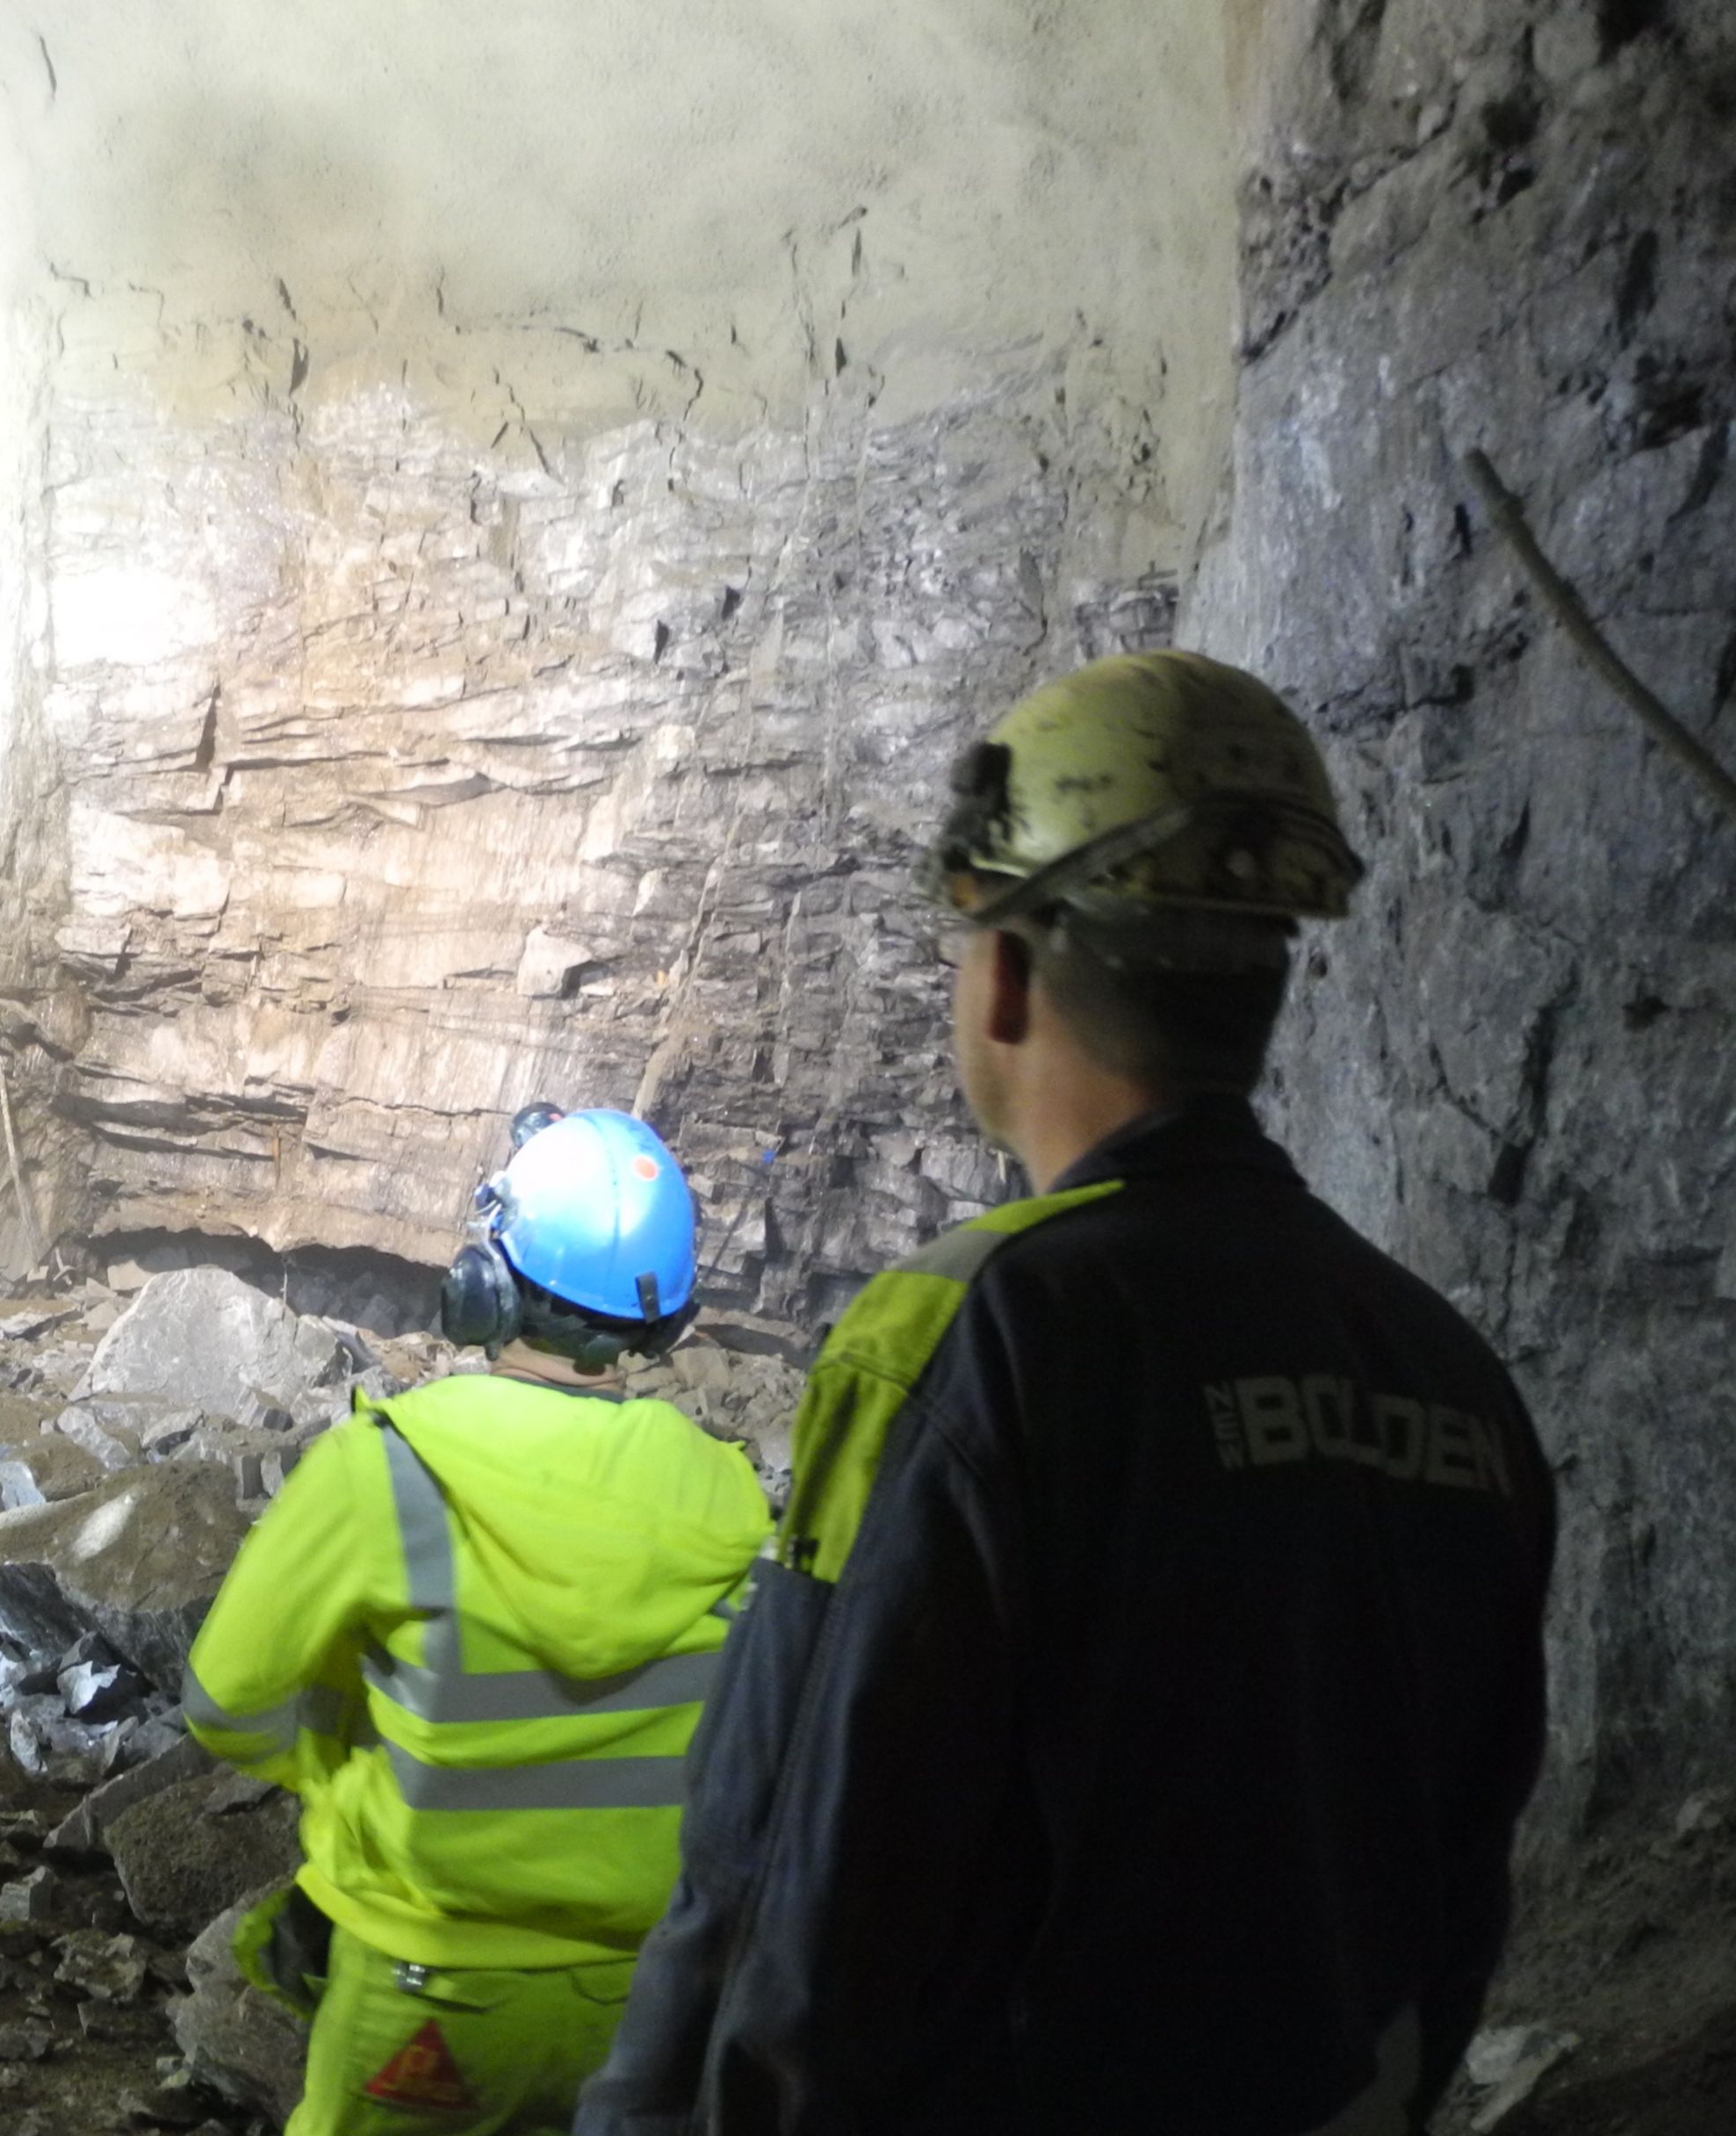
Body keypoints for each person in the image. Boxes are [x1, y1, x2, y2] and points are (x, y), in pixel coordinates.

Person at [576, 651, 1557, 2135]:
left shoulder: (972, 1330)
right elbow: (1454, 1894)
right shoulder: (1442, 1369)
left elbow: (790, 1877)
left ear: (1010, 969)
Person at [184, 1106, 773, 2136]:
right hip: (653, 2010)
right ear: (667, 1319)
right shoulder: (727, 1494)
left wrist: (355, 1770)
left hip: (432, 1995)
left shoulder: (390, 1467)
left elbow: (227, 1700)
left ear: (482, 1288)